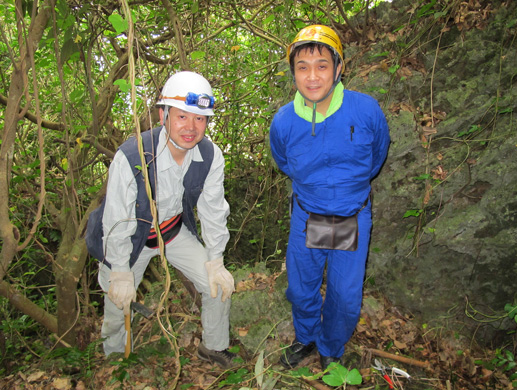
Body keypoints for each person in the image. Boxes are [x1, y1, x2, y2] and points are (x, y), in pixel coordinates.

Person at [91, 71, 236, 369]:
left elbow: (213, 210)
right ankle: (115, 361)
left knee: (217, 285)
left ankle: (214, 347)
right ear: (163, 115)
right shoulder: (132, 155)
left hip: (172, 232)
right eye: (182, 116)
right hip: (130, 241)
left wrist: (216, 259)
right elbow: (117, 218)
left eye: (200, 119)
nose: (191, 127)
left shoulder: (210, 155)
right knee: (118, 302)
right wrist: (120, 270)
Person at [269, 25, 390, 370]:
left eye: (321, 65)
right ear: (293, 72)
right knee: (303, 288)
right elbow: (284, 162)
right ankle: (306, 338)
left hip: (352, 214)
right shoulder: (284, 122)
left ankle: (331, 347)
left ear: (339, 68)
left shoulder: (365, 111)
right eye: (302, 67)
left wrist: (348, 190)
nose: (312, 77)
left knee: (345, 296)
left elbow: (376, 157)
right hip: (308, 214)